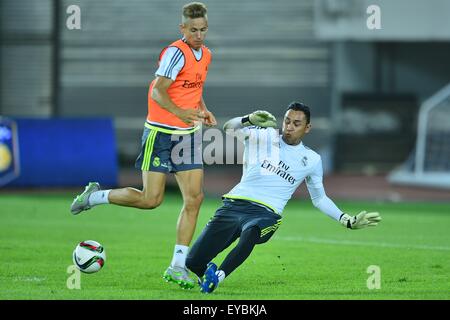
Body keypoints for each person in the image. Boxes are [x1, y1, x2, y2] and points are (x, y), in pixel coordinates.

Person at [70, 2, 216, 289]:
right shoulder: (175, 53)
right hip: (160, 133)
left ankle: (177, 266)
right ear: (182, 28)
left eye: (203, 30)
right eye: (194, 30)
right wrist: (181, 113)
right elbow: (158, 91)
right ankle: (95, 197)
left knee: (195, 199)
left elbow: (194, 88)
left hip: (187, 135)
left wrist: (202, 109)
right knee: (151, 200)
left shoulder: (207, 54)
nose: (199, 35)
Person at [185, 102, 382, 293]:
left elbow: (319, 198)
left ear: (307, 128)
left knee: (251, 233)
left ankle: (218, 277)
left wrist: (345, 219)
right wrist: (249, 119)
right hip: (233, 205)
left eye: (296, 124)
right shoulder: (263, 136)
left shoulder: (312, 159)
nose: (289, 127)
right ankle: (207, 271)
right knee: (192, 262)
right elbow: (229, 128)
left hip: (266, 213)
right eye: (287, 121)